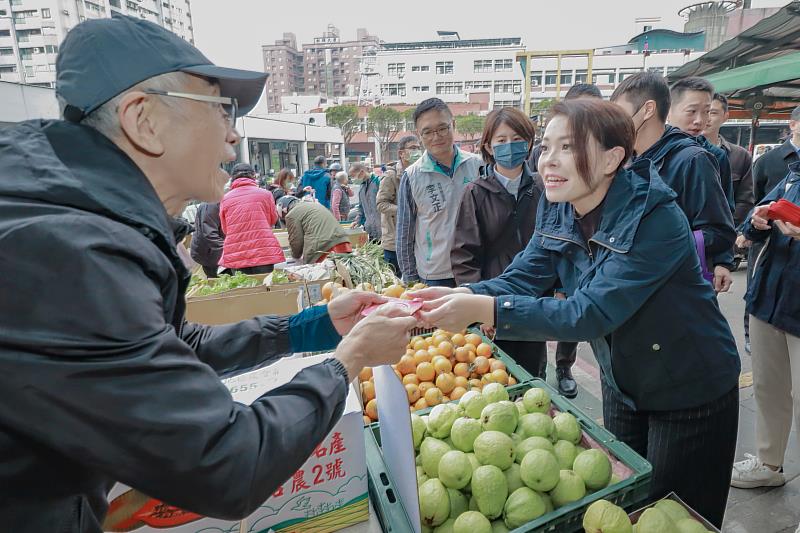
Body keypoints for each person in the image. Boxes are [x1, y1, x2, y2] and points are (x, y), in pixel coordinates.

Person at [0, 16, 422, 531]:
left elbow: (174, 344)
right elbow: (226, 462)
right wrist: (349, 359)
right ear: (144, 120)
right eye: (221, 107)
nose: (234, 132)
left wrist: (314, 326)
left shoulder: (77, 218)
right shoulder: (68, 253)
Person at [413, 99, 741, 527]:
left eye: (567, 147)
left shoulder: (655, 219)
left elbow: (588, 314)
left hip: (689, 385)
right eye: (546, 147)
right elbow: (523, 276)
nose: (548, 160)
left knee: (673, 515)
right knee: (622, 503)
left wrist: (484, 307)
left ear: (611, 158)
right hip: (623, 378)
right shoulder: (560, 205)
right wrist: (455, 297)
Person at [610, 72, 736, 294]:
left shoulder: (693, 160)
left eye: (620, 112)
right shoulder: (627, 157)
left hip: (674, 285)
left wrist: (654, 240)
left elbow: (719, 231)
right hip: (634, 280)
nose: (615, 120)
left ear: (647, 109)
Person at [450, 107, 549, 380]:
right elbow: (463, 255)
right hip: (492, 303)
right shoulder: (476, 193)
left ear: (529, 143)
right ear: (488, 147)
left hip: (534, 300)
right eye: (501, 140)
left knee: (532, 374)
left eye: (517, 138)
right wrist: (477, 308)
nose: (509, 146)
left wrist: (559, 290)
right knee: (493, 375)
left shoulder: (545, 189)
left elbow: (558, 244)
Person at [731, 163, 800, 496]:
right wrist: (757, 222)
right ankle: (769, 463)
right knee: (768, 387)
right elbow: (753, 224)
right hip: (769, 298)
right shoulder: (794, 173)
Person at [396, 98, 483, 287]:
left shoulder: (478, 166)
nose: (436, 137)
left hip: (475, 268)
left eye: (442, 128)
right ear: (418, 135)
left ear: (453, 125)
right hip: (434, 274)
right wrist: (411, 280)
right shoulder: (412, 176)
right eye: (427, 132)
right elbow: (404, 233)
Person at [219, 163, 285, 275]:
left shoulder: (224, 199)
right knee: (266, 288)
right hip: (263, 249)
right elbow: (273, 220)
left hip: (236, 251)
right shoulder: (266, 194)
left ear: (232, 178)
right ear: (253, 176)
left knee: (244, 288)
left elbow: (225, 229)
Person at [705, 93, 755, 227]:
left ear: (725, 117)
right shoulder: (680, 152)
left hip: (723, 233)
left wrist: (725, 228)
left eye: (713, 113)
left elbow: (745, 200)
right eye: (704, 111)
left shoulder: (740, 156)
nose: (706, 118)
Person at [527, 83, 603, 171]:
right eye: (578, 112)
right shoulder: (539, 154)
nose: (550, 161)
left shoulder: (606, 150)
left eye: (592, 113)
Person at [377, 135, 421, 276]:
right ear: (401, 153)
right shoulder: (391, 176)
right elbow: (381, 204)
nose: (417, 152)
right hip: (394, 242)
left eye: (419, 148)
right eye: (413, 148)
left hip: (416, 240)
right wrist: (405, 210)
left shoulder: (419, 173)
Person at [279, 194, 353, 264]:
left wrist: (295, 256)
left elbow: (296, 240)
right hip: (343, 242)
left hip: (323, 249)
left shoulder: (292, 214)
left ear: (283, 210)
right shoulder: (312, 205)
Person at [190, 201, 226, 278]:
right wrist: (229, 249)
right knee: (216, 280)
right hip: (209, 253)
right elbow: (209, 234)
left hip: (216, 250)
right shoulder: (211, 205)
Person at [350, 162, 382, 242]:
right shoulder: (362, 187)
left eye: (354, 176)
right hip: (370, 229)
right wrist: (357, 221)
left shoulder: (378, 182)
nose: (353, 179)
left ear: (362, 172)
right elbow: (361, 207)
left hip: (382, 229)